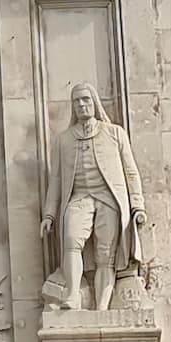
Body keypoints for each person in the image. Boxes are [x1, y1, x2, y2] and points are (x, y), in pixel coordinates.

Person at [40, 83, 146, 311]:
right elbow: (56, 180)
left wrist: (138, 205)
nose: (81, 104)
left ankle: (102, 308)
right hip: (79, 198)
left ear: (94, 102)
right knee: (71, 240)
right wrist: (49, 214)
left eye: (86, 99)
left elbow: (130, 171)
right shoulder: (63, 140)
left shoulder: (115, 133)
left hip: (108, 199)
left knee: (105, 256)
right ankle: (72, 295)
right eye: (77, 101)